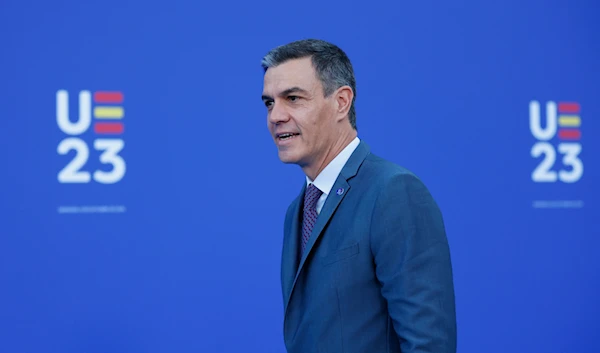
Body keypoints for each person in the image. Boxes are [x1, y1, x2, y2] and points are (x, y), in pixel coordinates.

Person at [260, 39, 457, 353]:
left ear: (341, 102)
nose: (275, 116)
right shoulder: (296, 211)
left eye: (293, 98)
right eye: (269, 103)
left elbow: (429, 344)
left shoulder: (393, 192)